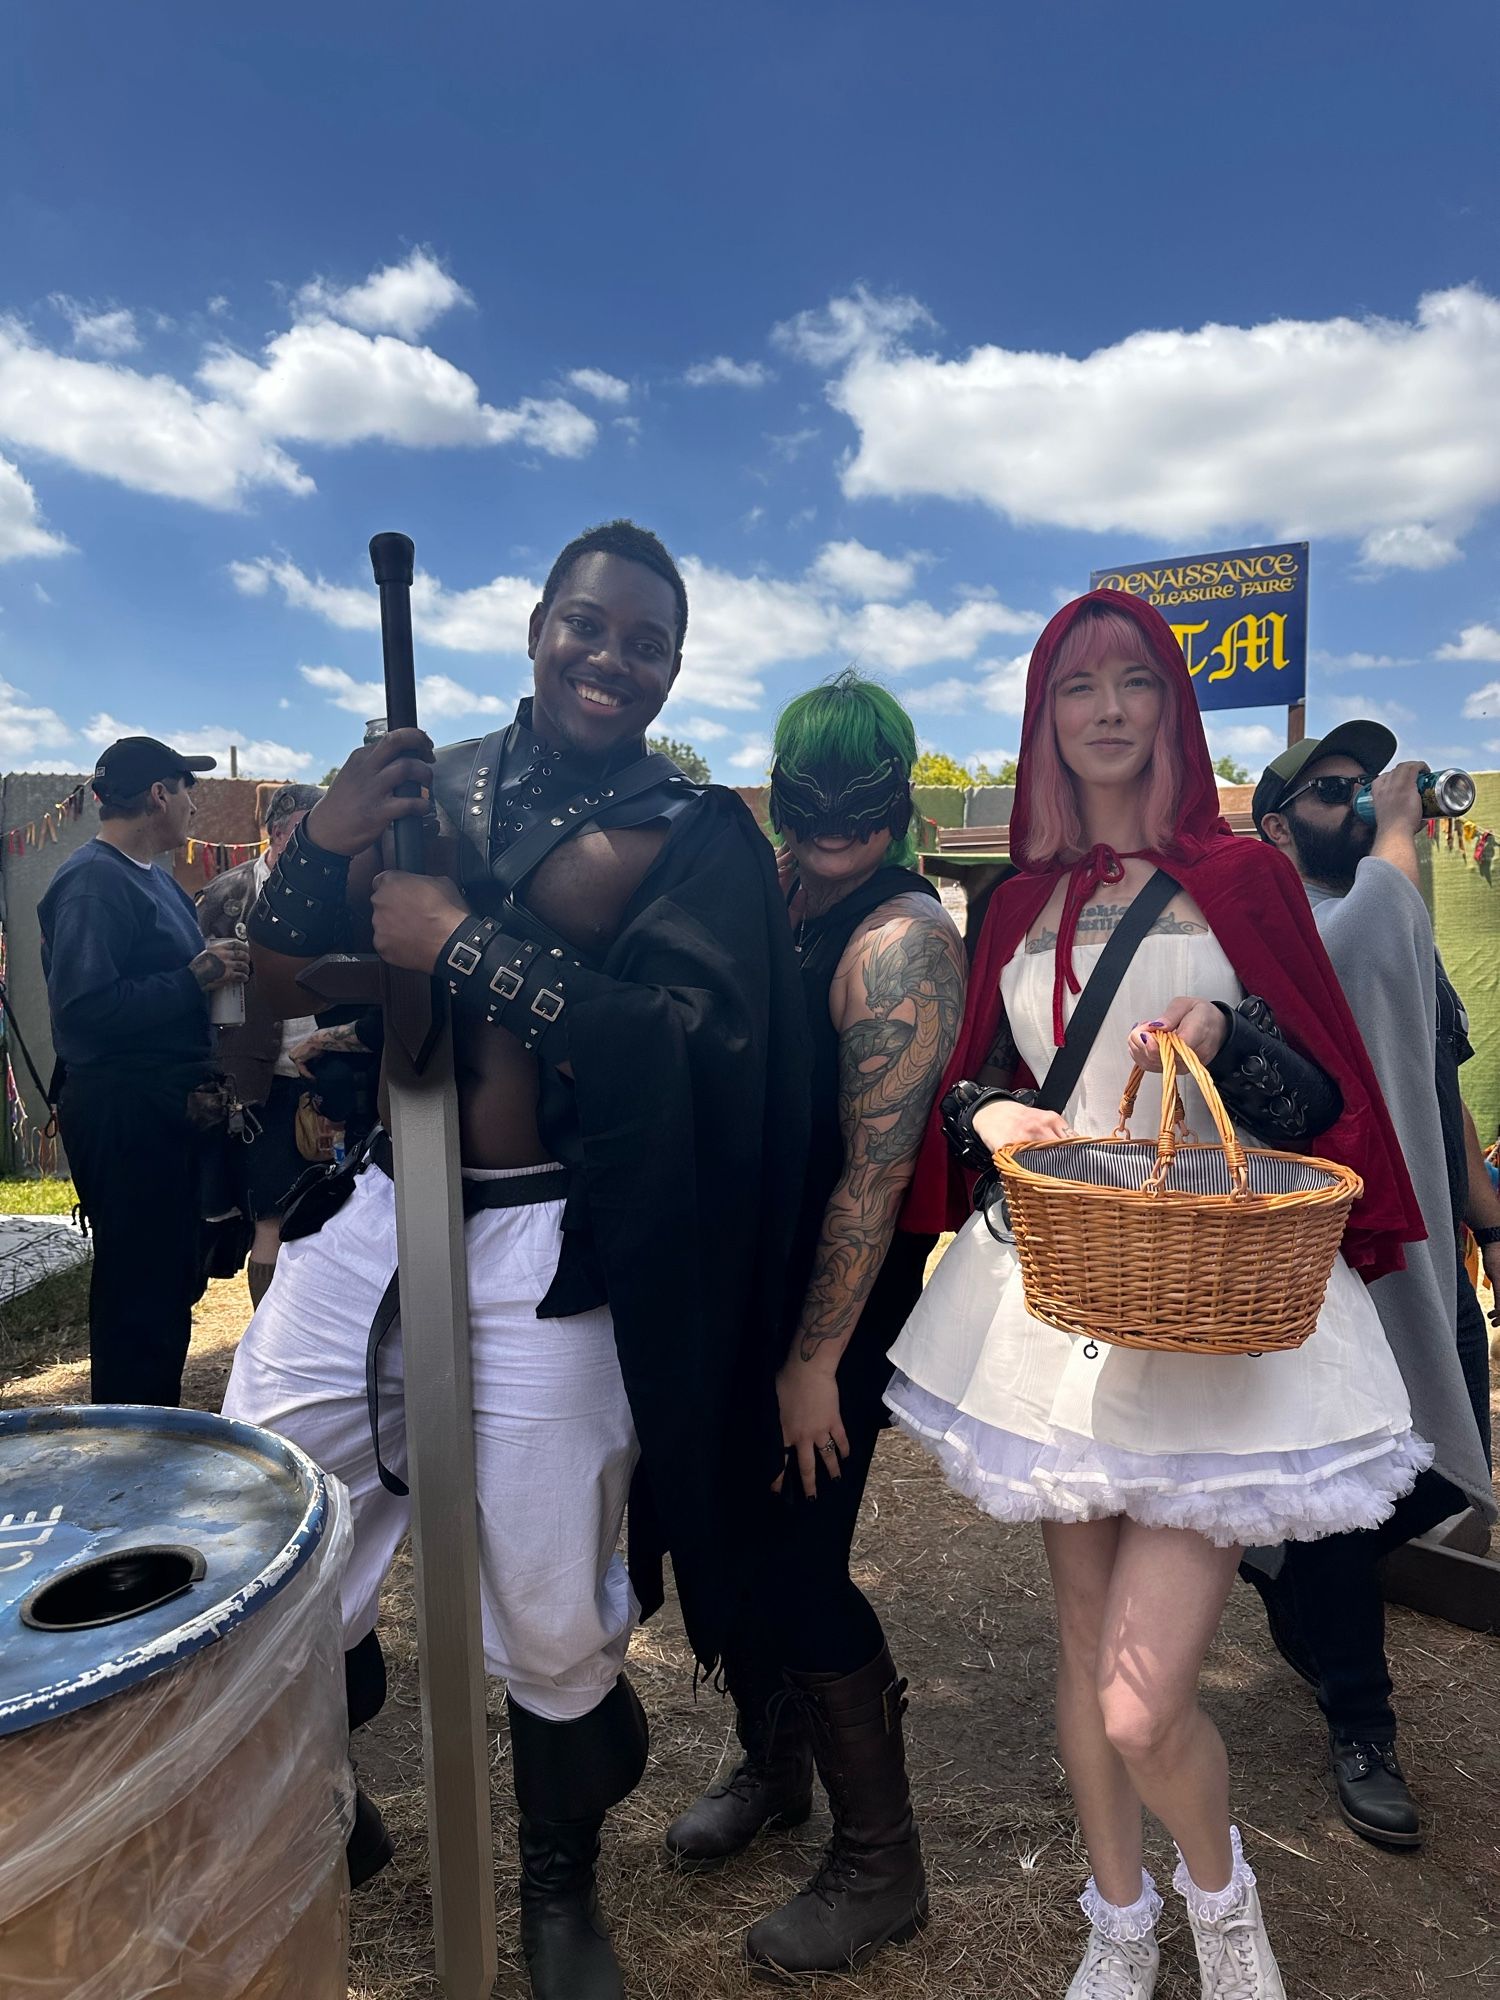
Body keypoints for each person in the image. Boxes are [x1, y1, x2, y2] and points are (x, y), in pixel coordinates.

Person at [223, 520, 808, 2000]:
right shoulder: (426, 780)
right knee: (261, 1528)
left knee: (552, 1591)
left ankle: (560, 1885)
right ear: (538, 625)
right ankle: (320, 1798)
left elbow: (687, 1056)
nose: (612, 658)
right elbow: (287, 1003)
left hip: (560, 1244)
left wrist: (463, 941)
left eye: (647, 642)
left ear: (675, 669)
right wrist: (323, 848)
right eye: (589, 626)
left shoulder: (695, 832)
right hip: (370, 1210)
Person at [888, 593, 1428, 2000]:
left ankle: (1221, 1903)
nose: (1110, 709)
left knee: (1142, 1698)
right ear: (1045, 717)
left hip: (1215, 1308)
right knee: (1083, 1650)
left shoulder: (1241, 884)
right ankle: (1117, 1921)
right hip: (1059, 1298)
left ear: (1174, 710)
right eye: (1080, 687)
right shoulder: (1010, 899)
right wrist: (987, 1120)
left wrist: (1224, 1027)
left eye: (1136, 682)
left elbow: (1324, 1093)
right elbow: (980, 1087)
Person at [664, 672, 964, 1977]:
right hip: (751, 1270)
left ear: (899, 795)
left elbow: (875, 1177)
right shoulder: (777, 896)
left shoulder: (902, 940)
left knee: (797, 1559)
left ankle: (880, 1861)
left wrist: (812, 1364)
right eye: (809, 785)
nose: (832, 813)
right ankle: (772, 1767)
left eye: (862, 787)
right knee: (727, 1538)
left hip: (841, 1295)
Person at [1247, 726, 1496, 1846]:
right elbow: (1364, 949)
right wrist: (1399, 833)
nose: (1353, 802)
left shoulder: (1397, 921)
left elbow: (1432, 1072)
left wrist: (1487, 1201)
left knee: (1448, 1468)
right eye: (1329, 789)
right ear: (1273, 819)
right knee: (1352, 1493)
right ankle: (1363, 1720)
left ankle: (1289, 1572)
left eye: (1364, 789)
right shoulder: (1277, 932)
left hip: (1431, 1249)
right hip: (1336, 1265)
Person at [39, 735, 249, 1404]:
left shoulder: (152, 877)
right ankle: (129, 1451)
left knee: (166, 1282)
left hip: (167, 1109)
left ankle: (153, 1431)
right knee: (138, 1293)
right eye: (189, 788)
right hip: (123, 1111)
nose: (196, 804)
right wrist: (196, 976)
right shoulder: (92, 881)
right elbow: (84, 1011)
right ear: (159, 794)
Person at [198, 782, 325, 1305]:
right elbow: (195, 980)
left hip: (332, 1071)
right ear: (276, 831)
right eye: (305, 830)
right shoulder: (228, 894)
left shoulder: (340, 885)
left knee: (333, 1213)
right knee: (268, 1217)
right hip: (257, 1082)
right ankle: (269, 1337)